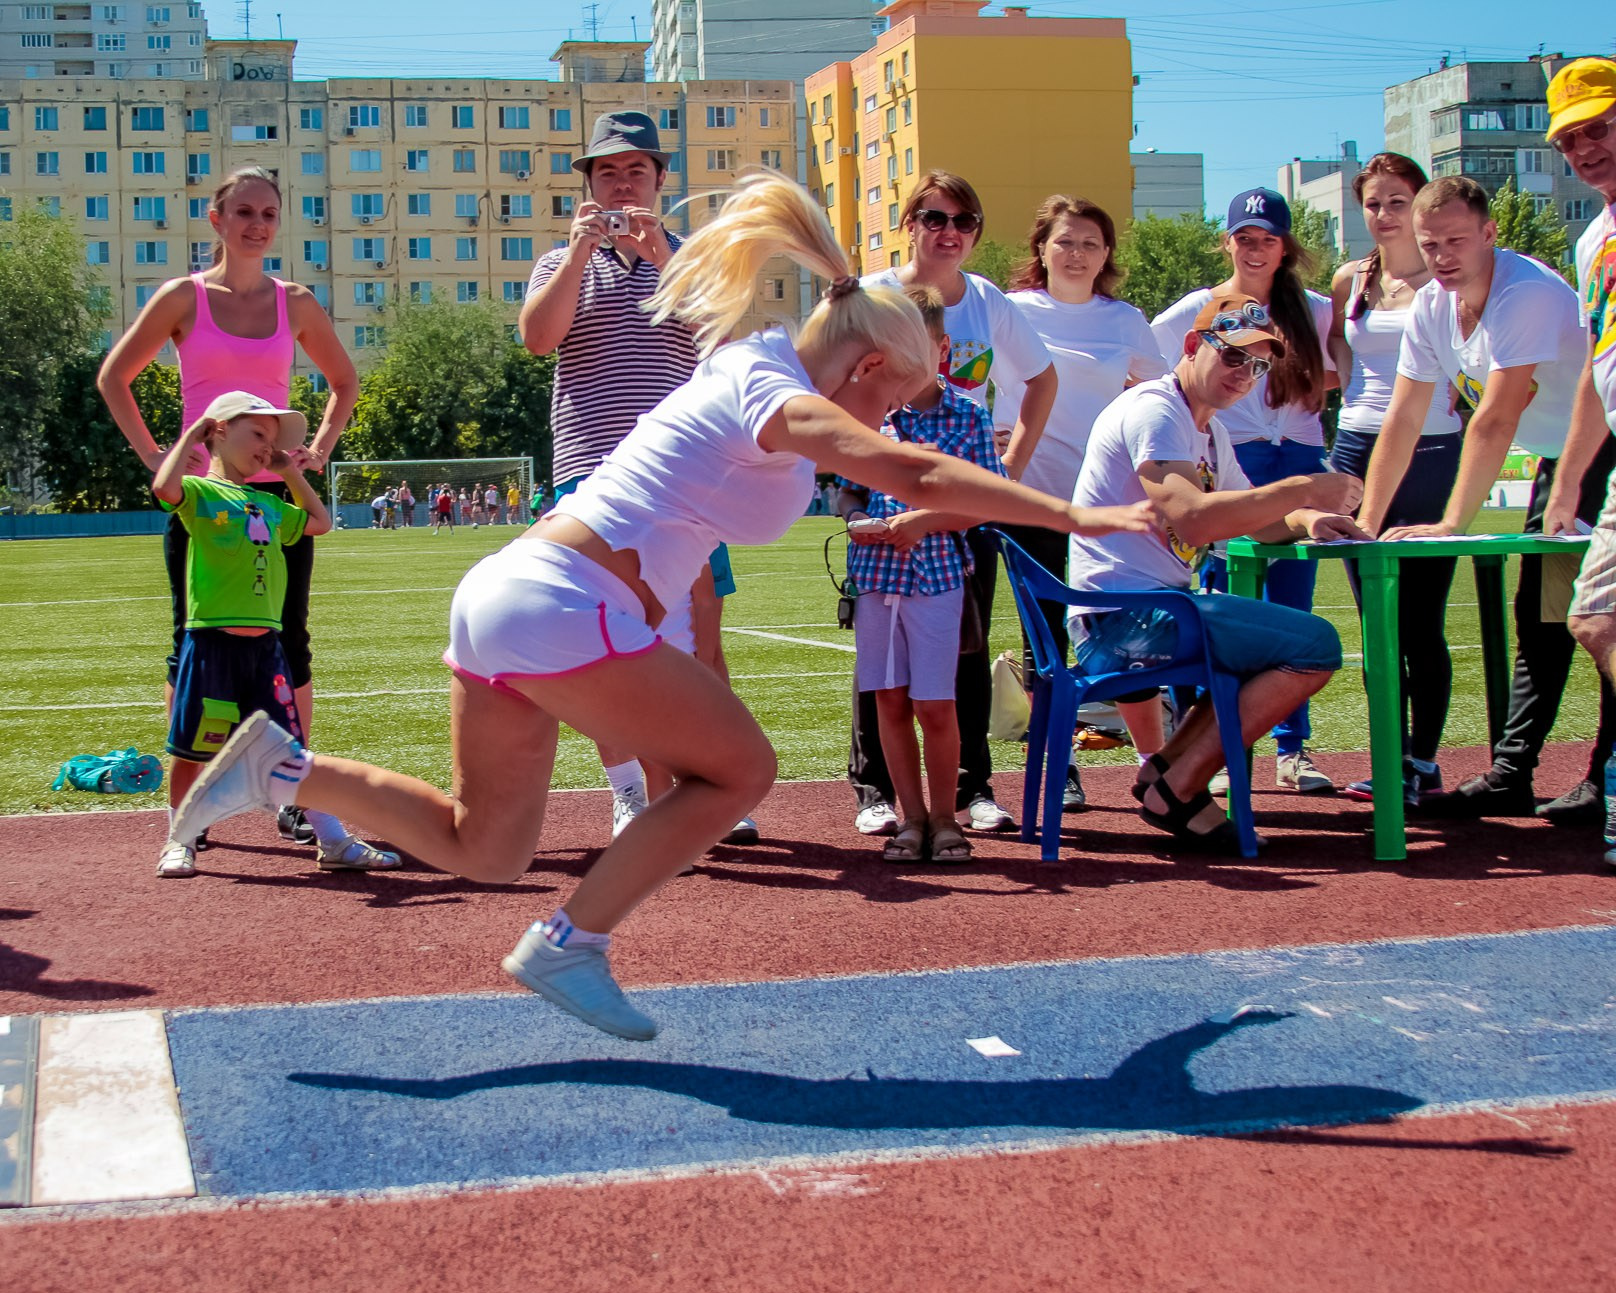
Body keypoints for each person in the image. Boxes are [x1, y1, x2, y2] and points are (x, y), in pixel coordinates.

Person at [167, 171, 1153, 1040]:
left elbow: (777, 346)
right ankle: (570, 944)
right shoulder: (785, 396)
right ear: (860, 370)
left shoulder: (752, 354)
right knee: (738, 770)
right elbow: (909, 467)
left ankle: (280, 766)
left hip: (510, 592)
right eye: (890, 395)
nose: (889, 416)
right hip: (564, 600)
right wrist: (1073, 511)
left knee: (486, 844)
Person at [99, 166, 392, 868]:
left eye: (268, 212)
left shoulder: (296, 303)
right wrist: (156, 455)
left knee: (289, 642)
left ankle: (292, 796)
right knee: (193, 641)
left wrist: (318, 446)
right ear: (216, 219)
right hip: (207, 503)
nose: (256, 224)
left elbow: (345, 380)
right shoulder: (182, 297)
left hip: (278, 498)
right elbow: (115, 376)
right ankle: (192, 806)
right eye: (243, 212)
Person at [520, 109, 759, 844]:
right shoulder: (560, 261)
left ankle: (718, 787)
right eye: (607, 172)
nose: (622, 184)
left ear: (660, 181)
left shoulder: (692, 258)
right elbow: (538, 338)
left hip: (688, 475)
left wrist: (663, 261)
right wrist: (576, 253)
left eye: (636, 171)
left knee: (703, 641)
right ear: (586, 185)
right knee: (608, 642)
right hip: (591, 474)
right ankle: (629, 790)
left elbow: (726, 344)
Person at [1073, 293, 1362, 849]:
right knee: (1315, 646)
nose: (1245, 374)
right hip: (1125, 617)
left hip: (1141, 611)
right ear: (1191, 346)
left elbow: (1256, 518)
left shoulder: (1206, 429)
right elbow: (1196, 520)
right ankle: (1178, 785)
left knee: (1277, 648)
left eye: (1257, 365)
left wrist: (1309, 519)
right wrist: (1302, 487)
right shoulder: (1157, 410)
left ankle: (1167, 776)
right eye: (1233, 357)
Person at [1362, 175, 1600, 822]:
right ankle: (1514, 774)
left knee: (1598, 621)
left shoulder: (1526, 293)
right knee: (1543, 617)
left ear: (1492, 234)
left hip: (1602, 450)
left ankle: (1598, 778)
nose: (1441, 256)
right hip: (1563, 456)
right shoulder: (1433, 308)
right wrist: (1365, 523)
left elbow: (1495, 417)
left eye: (1457, 241)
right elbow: (1403, 419)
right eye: (1429, 243)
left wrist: (1450, 524)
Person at [861, 171, 1059, 836]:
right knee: (882, 666)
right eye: (935, 217)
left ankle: (971, 787)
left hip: (961, 505)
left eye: (964, 221)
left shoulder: (989, 302)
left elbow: (1041, 380)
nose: (950, 232)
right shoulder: (872, 295)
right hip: (883, 491)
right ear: (909, 223)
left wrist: (1006, 472)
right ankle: (878, 791)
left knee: (966, 652)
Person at [151, 392, 393, 877]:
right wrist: (189, 437)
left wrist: (289, 471)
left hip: (266, 647)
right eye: (258, 434)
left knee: (292, 750)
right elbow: (164, 488)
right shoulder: (201, 494)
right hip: (211, 645)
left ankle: (333, 841)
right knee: (190, 751)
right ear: (218, 430)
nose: (268, 445)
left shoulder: (270, 503)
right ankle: (179, 839)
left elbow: (320, 523)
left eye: (273, 439)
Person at [1151, 187, 1340, 795]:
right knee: (1226, 600)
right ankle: (1213, 746)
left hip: (1298, 452)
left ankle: (1291, 749)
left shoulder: (1313, 307)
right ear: (1227, 242)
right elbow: (1152, 358)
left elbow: (1340, 370)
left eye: (1269, 239)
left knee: (1293, 606)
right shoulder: (1198, 309)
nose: (1256, 250)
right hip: (1236, 457)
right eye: (1245, 238)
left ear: (1286, 248)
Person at [995, 195, 1168, 812]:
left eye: (1090, 243)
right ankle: (1058, 763)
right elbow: (960, 371)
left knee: (1126, 636)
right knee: (1045, 643)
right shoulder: (1010, 310)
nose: (1076, 253)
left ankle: (1157, 766)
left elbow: (1163, 396)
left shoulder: (1125, 321)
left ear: (1107, 256)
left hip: (1105, 509)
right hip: (1030, 500)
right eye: (1064, 241)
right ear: (1041, 249)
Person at [836, 287, 1006, 863]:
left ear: (941, 348)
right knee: (889, 701)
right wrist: (856, 519)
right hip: (875, 579)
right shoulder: (868, 417)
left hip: (937, 580)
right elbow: (847, 489)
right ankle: (910, 817)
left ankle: (943, 817)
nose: (901, 364)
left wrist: (926, 521)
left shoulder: (970, 417)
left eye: (916, 348)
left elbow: (990, 501)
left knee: (937, 704)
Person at [1323, 153, 1465, 807]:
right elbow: (1341, 366)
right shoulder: (1350, 280)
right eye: (1373, 203)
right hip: (1356, 446)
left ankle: (1423, 761)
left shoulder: (1450, 281)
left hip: (1433, 449)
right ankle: (1388, 758)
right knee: (1374, 619)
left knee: (1421, 622)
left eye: (1397, 201)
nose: (1383, 215)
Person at [1548, 57, 1616, 866]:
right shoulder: (1593, 237)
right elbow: (1601, 372)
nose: (1584, 150)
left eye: (1598, 130)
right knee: (1596, 617)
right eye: (1569, 141)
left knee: (1597, 616)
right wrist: (1567, 479)